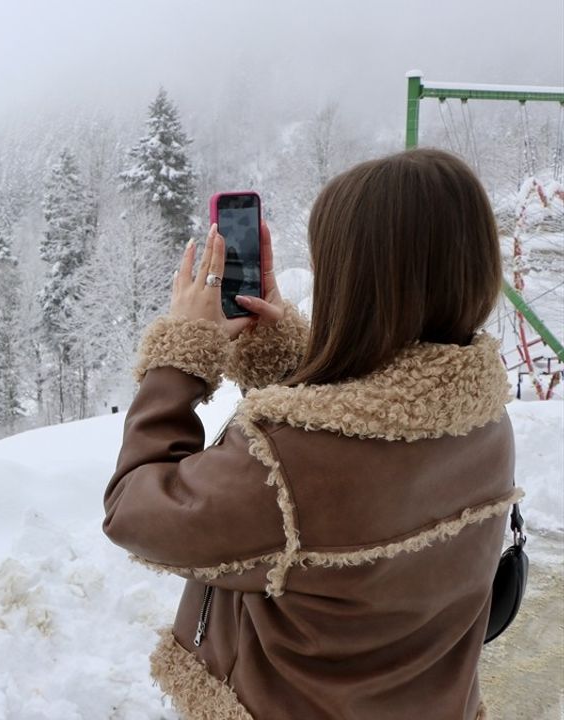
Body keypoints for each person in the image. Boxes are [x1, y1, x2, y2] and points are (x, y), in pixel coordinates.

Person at [103, 148, 514, 719]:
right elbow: (366, 431)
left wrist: (180, 360)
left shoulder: (290, 461)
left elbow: (134, 508)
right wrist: (289, 356)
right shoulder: (483, 416)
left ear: (358, 283)